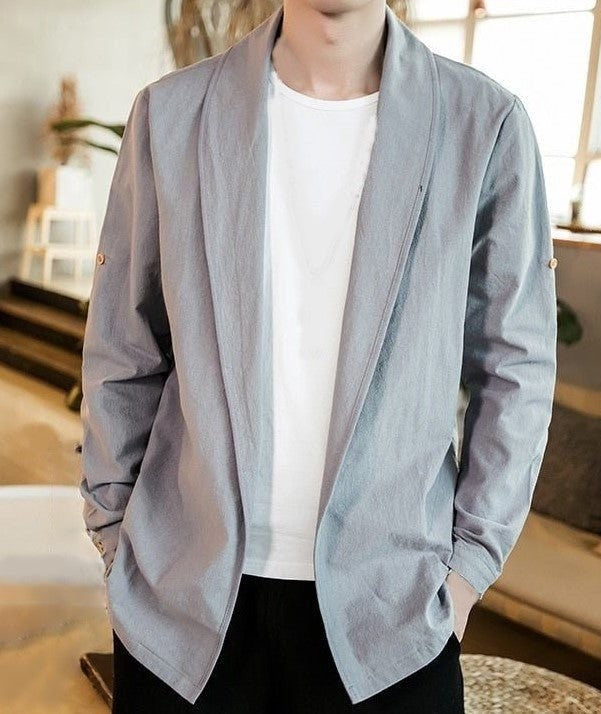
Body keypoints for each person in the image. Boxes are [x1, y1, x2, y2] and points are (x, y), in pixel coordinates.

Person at [79, 1, 558, 712]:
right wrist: (114, 531)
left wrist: (467, 570)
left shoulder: (484, 124)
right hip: (183, 601)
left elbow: (515, 367)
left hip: (392, 616)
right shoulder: (171, 114)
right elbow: (124, 343)